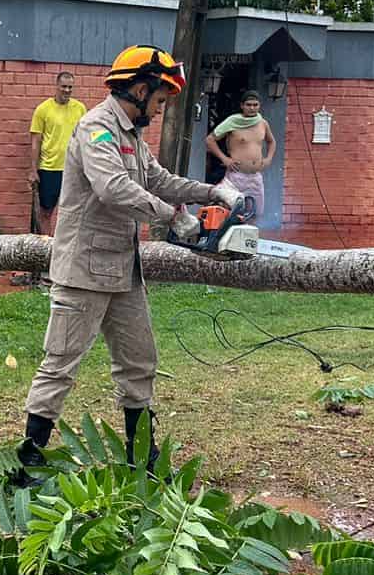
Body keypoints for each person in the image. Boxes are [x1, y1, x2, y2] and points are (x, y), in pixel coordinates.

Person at [16, 47, 244, 482]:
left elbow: (157, 179)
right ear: (140, 89)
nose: (159, 111)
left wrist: (213, 193)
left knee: (140, 361)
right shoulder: (96, 128)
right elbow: (112, 188)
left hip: (122, 269)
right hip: (84, 269)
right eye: (159, 101)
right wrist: (173, 217)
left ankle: (143, 457)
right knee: (61, 362)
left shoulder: (132, 136)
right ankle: (27, 458)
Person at [27, 71, 85, 235]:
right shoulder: (43, 109)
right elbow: (35, 142)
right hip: (49, 169)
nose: (67, 90)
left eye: (70, 87)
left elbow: (86, 135)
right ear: (56, 86)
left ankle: (66, 249)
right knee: (46, 212)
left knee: (72, 213)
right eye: (64, 87)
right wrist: (33, 170)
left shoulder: (79, 108)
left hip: (73, 168)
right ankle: (46, 250)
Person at [204, 90, 275, 217]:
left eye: (255, 105)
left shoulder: (262, 123)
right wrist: (225, 159)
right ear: (242, 106)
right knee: (230, 213)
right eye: (248, 105)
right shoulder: (232, 121)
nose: (252, 108)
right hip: (236, 177)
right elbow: (210, 140)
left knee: (256, 214)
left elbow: (271, 142)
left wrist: (268, 158)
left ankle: (249, 237)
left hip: (255, 177)